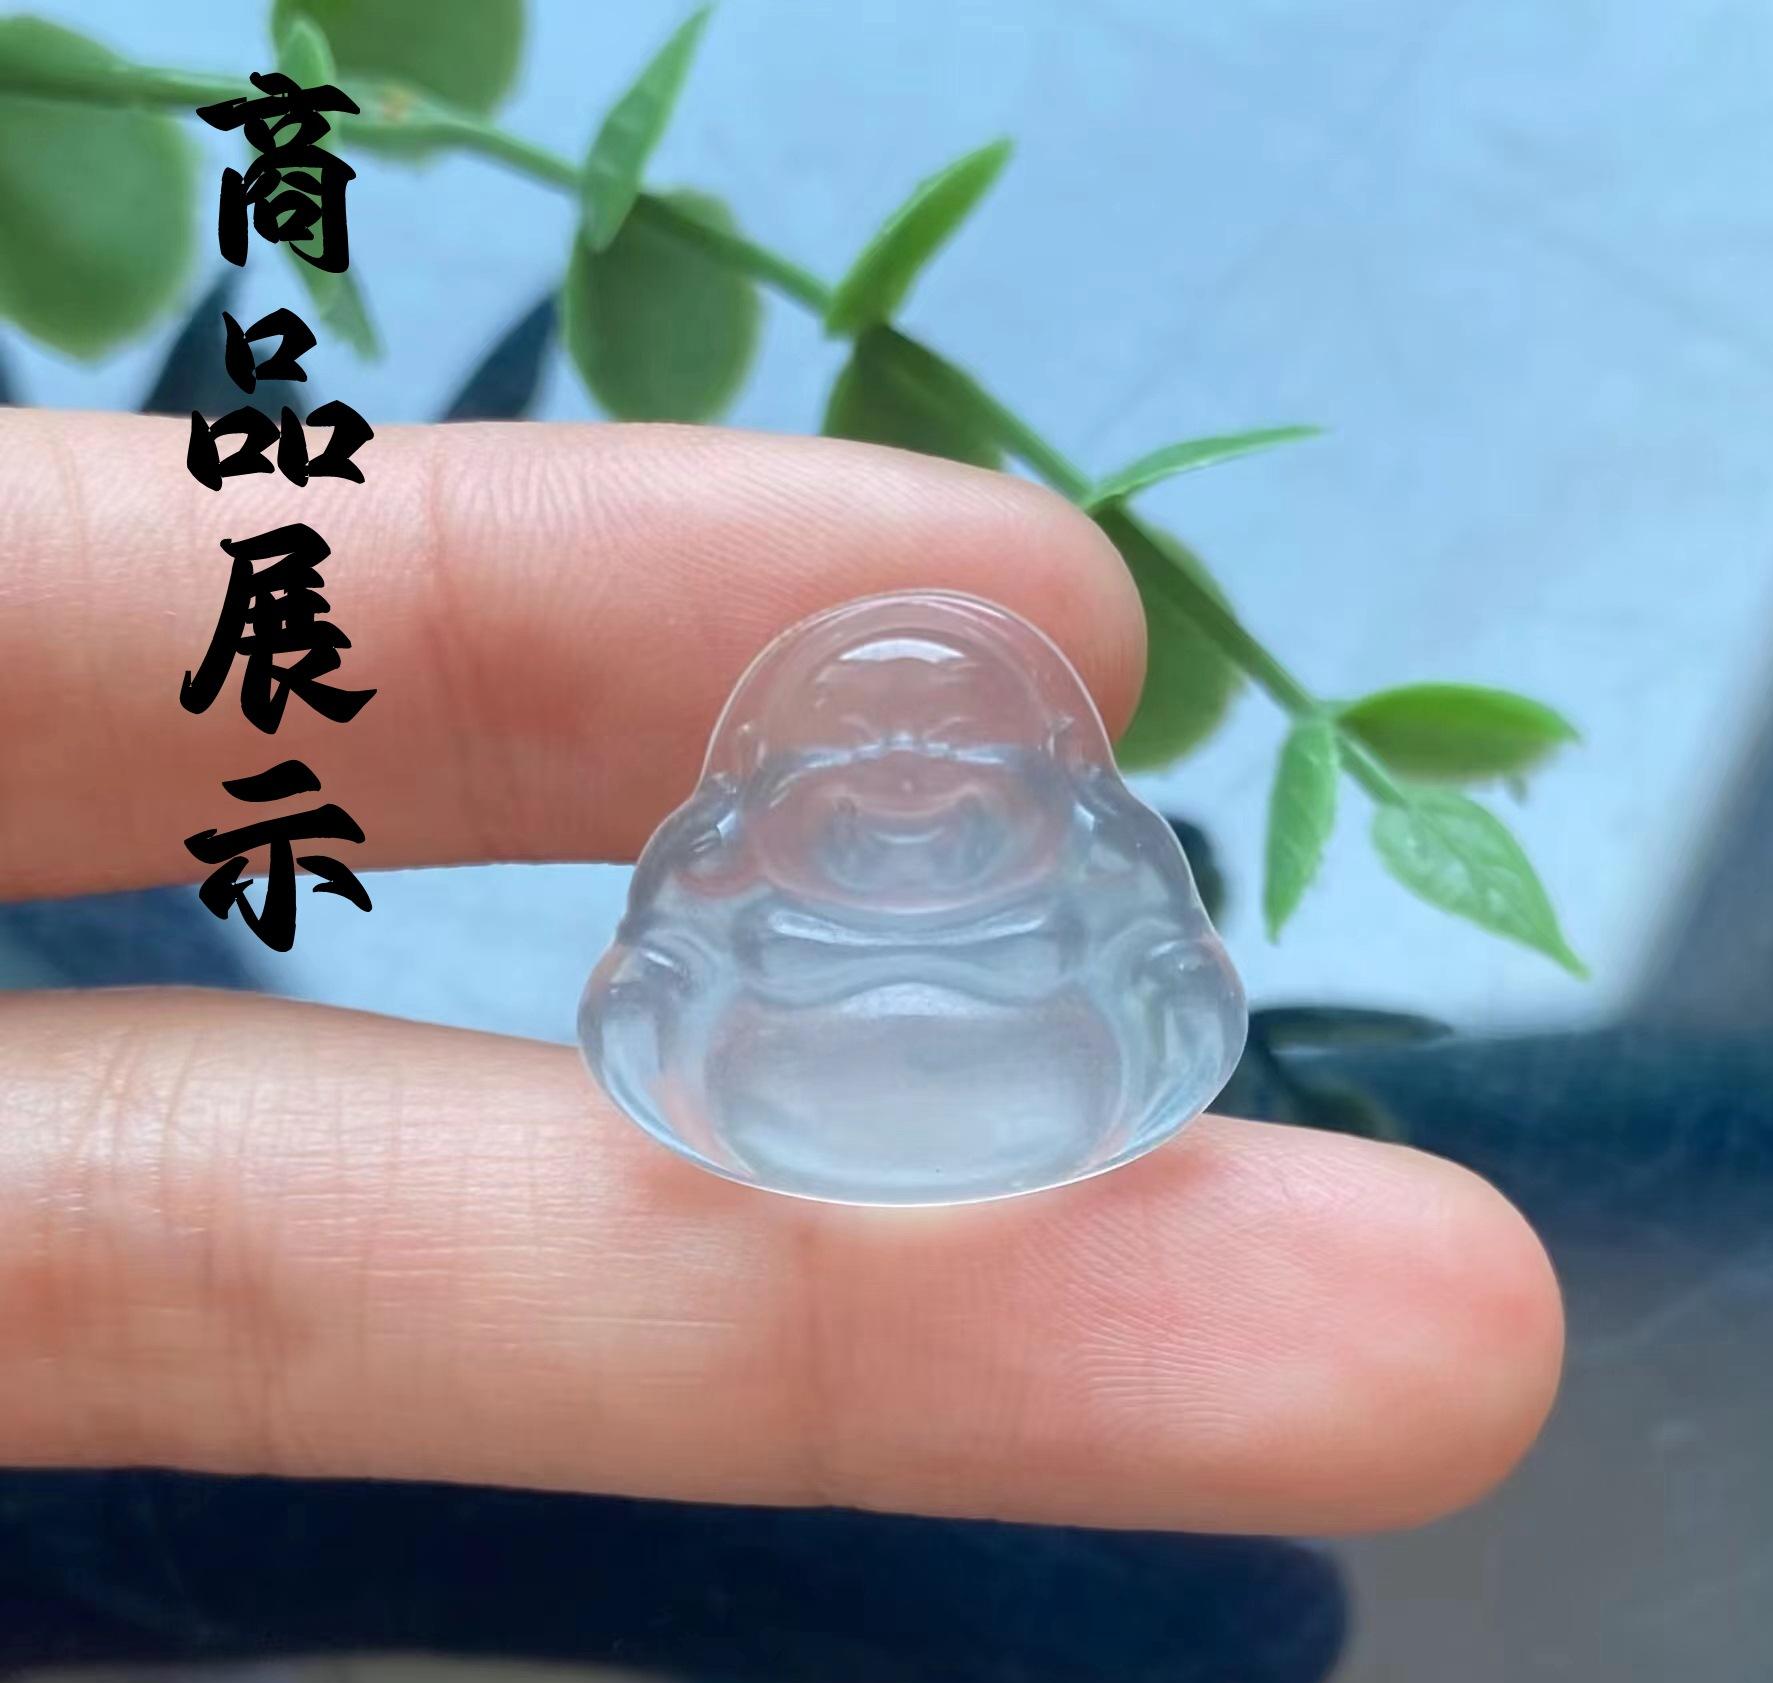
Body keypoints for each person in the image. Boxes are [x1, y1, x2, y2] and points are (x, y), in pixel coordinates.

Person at [0, 409, 1562, 1534]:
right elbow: (654, 980)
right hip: (786, 1092)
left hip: (1039, 1084)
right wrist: (672, 1000)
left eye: (948, 740)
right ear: (773, 766)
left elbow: (1168, 973)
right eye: (858, 740)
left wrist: (1154, 999)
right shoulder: (731, 856)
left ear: (1043, 764)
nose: (904, 770)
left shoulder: (1090, 854)